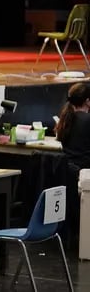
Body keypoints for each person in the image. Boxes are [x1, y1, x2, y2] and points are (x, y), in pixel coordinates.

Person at [55, 82, 90, 233]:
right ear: (88, 102)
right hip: (84, 175)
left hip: (68, 176)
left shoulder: (65, 120)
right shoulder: (87, 120)